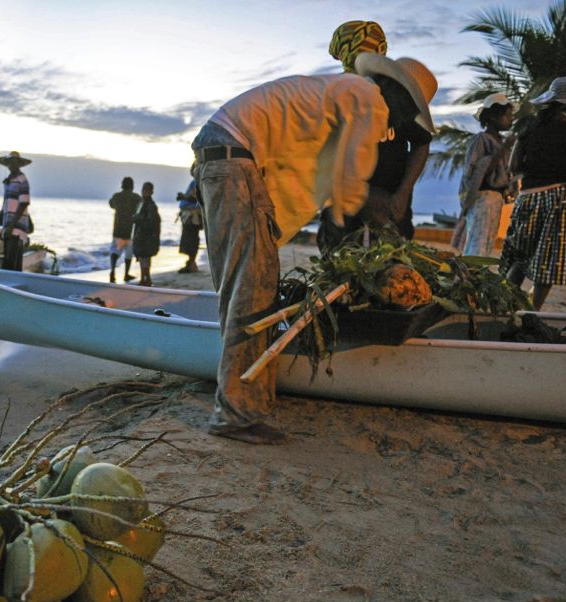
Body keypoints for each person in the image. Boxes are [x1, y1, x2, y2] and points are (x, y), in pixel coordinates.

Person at [192, 54, 436, 445]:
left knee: (244, 283)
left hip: (223, 153)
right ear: (399, 96)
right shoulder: (370, 100)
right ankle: (236, 415)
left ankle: (237, 396)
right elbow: (347, 182)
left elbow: (315, 172)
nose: (401, 125)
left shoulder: (345, 92)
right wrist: (383, 214)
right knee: (253, 287)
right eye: (407, 114)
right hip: (233, 156)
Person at [317, 47, 435, 254]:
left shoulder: (405, 110)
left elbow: (421, 144)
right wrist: (366, 195)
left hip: (391, 202)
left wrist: (402, 194)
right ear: (395, 88)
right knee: (339, 257)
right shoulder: (351, 100)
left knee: (394, 259)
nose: (406, 114)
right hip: (343, 198)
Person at [500, 76, 566, 310]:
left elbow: (514, 166)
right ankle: (530, 313)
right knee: (549, 259)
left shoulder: (529, 127)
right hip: (560, 198)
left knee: (520, 256)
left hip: (528, 197)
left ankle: (505, 305)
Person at [454, 93, 516, 256]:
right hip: (482, 198)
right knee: (477, 244)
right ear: (494, 117)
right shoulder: (481, 140)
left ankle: (475, 276)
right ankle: (470, 276)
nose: (511, 120)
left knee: (487, 244)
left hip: (496, 198)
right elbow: (476, 173)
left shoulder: (504, 143)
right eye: (507, 115)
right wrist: (503, 150)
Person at [0, 151, 32, 271]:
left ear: (19, 164)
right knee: (7, 262)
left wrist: (11, 226)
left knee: (12, 265)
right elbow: (6, 204)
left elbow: (23, 203)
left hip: (16, 228)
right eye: (9, 163)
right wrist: (3, 227)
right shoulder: (9, 180)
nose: (11, 165)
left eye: (14, 163)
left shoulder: (22, 179)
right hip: (8, 227)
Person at [108, 177, 141, 282]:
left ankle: (112, 271)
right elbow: (140, 210)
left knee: (115, 251)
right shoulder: (136, 197)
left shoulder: (116, 196)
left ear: (122, 185)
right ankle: (126, 274)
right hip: (130, 230)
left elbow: (111, 204)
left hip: (118, 229)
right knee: (128, 253)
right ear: (132, 186)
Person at [131, 182, 161, 286]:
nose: (144, 192)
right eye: (143, 190)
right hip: (140, 235)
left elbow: (151, 223)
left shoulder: (151, 206)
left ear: (151, 192)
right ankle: (144, 278)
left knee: (145, 258)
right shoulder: (141, 203)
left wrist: (138, 219)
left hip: (147, 236)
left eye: (147, 190)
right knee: (142, 257)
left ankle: (146, 278)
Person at [176, 167, 202, 273]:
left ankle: (191, 263)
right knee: (189, 239)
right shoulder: (195, 182)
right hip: (189, 216)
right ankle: (191, 263)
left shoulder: (198, 183)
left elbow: (197, 198)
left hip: (193, 216)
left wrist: (184, 197)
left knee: (191, 239)